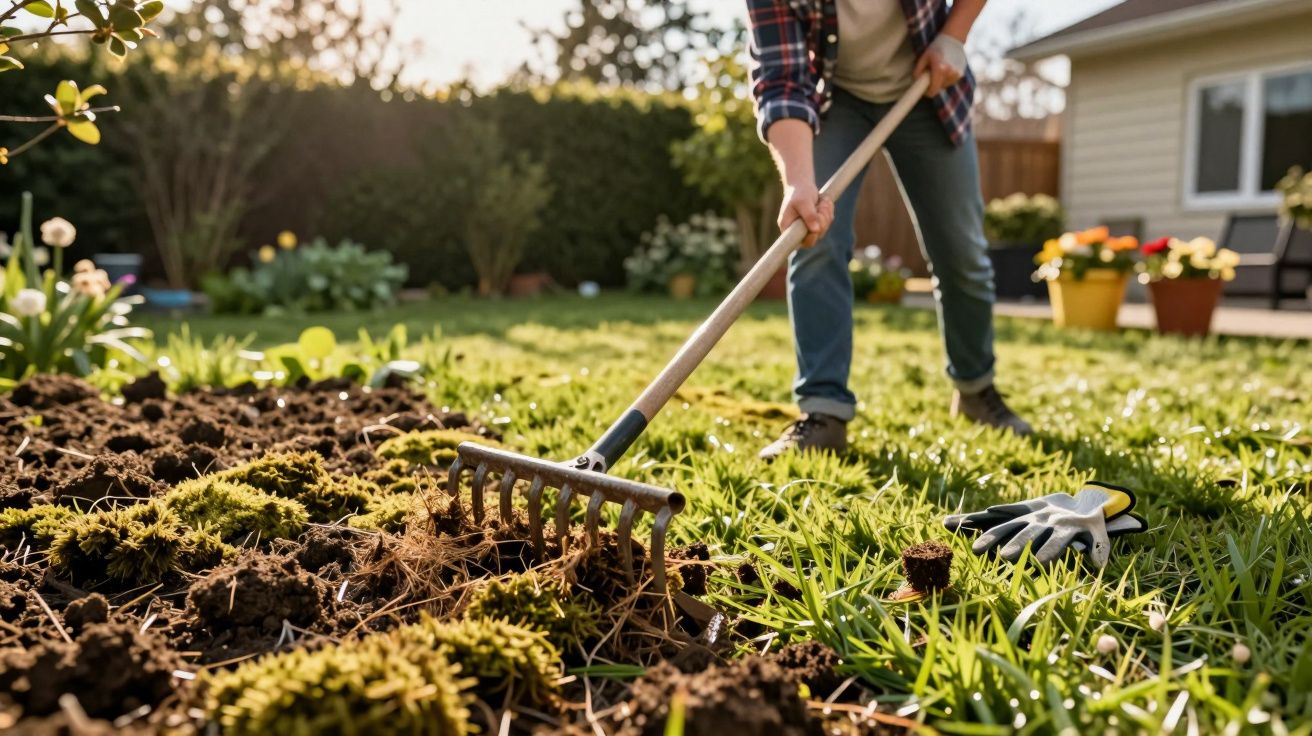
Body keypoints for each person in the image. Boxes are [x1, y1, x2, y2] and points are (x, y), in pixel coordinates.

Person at [748, 0, 1033, 461]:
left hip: (926, 84)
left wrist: (954, 35)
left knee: (961, 251)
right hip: (835, 96)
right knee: (814, 237)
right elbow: (781, 79)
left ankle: (976, 389)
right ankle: (824, 412)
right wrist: (799, 182)